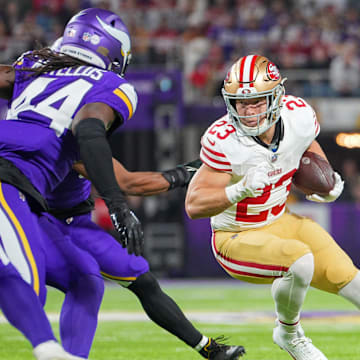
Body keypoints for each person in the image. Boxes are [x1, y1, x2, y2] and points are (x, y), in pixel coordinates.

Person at [0, 7, 244, 360]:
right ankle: (49, 349)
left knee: (88, 279)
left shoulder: (31, 70)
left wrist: (191, 170)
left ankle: (203, 347)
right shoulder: (96, 100)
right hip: (30, 202)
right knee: (23, 280)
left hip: (60, 214)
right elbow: (115, 166)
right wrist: (120, 204)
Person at [185, 54, 360, 360]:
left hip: (281, 218)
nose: (249, 111)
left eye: (257, 102)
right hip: (235, 235)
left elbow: (306, 145)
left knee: (354, 283)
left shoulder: (298, 116)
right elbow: (194, 205)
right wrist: (238, 190)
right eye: (242, 104)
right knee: (300, 261)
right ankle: (290, 334)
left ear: (276, 97)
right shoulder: (224, 139)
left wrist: (327, 180)